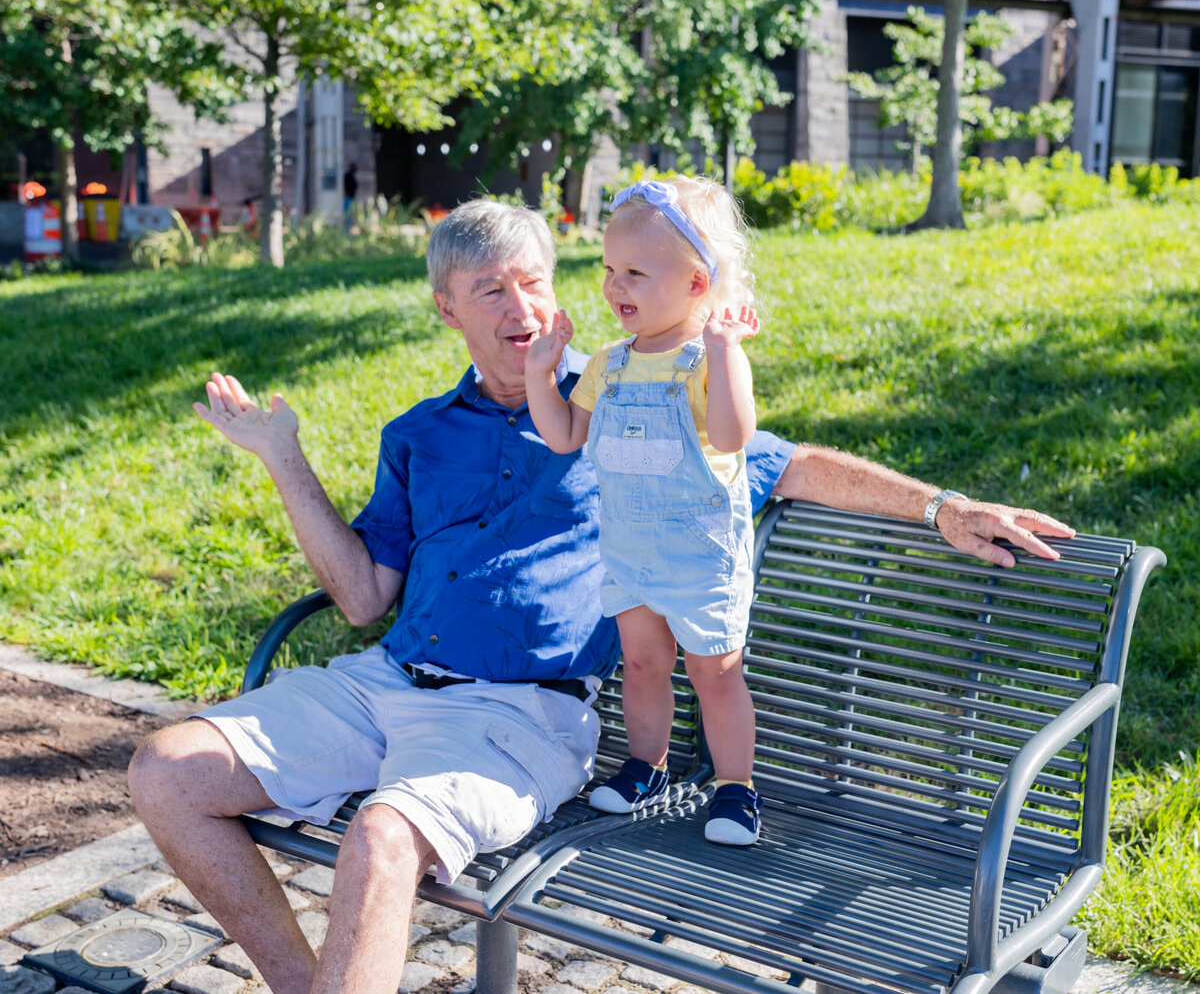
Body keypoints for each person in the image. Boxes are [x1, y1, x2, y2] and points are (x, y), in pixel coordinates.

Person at [128, 197, 1075, 994]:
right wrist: (284, 459)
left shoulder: (628, 398)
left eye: (536, 280)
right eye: (492, 288)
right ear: (447, 308)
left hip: (515, 714)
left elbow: (785, 465)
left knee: (380, 840)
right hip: (381, 681)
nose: (522, 306)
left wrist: (942, 504)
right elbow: (365, 594)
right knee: (163, 771)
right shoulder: (416, 433)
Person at [525, 176, 765, 845]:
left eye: (634, 272)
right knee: (641, 664)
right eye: (608, 269)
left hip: (700, 554)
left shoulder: (709, 358)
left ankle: (736, 788)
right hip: (632, 554)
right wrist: (540, 375)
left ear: (696, 284)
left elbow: (731, 434)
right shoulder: (609, 363)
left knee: (714, 673)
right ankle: (647, 766)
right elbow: (564, 435)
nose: (614, 286)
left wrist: (726, 352)